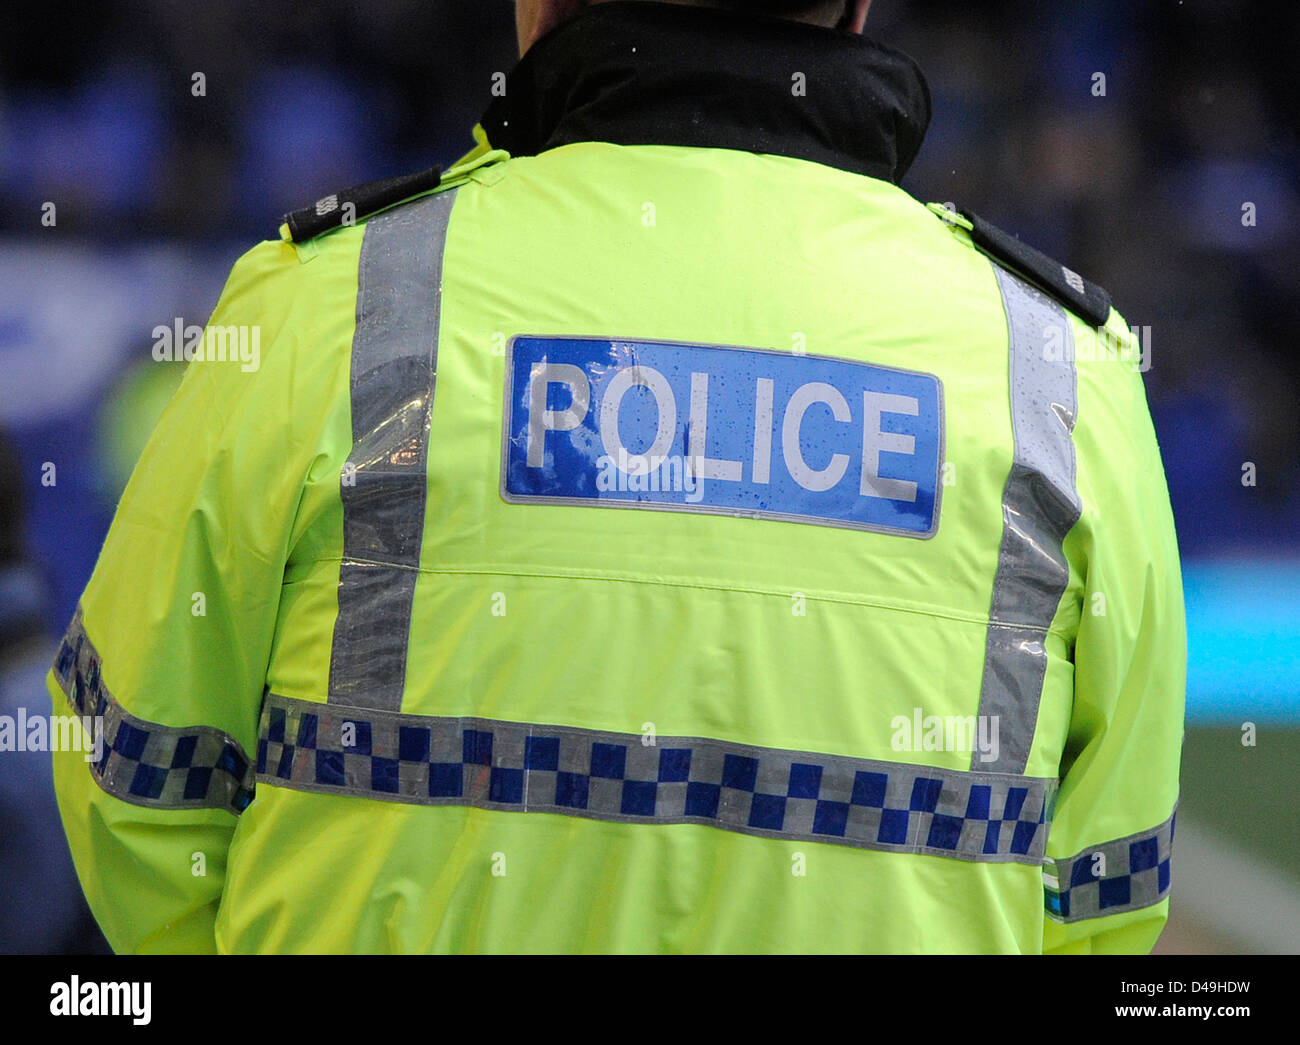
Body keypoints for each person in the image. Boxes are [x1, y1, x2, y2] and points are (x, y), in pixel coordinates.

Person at [49, 0, 1185, 953]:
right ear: (857, 3)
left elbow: (134, 787)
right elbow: (1107, 893)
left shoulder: (326, 305)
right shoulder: (1060, 365)